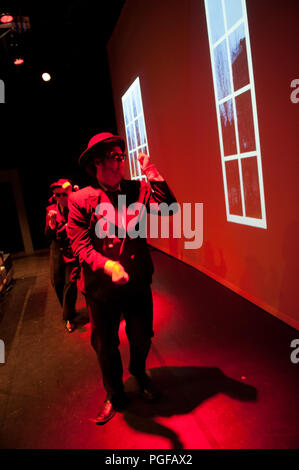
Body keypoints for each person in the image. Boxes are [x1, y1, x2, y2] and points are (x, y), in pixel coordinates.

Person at [67, 132, 176, 424]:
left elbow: (169, 209)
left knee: (142, 337)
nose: (121, 161)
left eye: (121, 155)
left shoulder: (136, 188)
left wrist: (152, 173)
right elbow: (79, 244)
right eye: (115, 157)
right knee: (106, 345)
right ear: (97, 162)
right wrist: (107, 266)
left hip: (138, 281)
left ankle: (139, 374)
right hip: (101, 289)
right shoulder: (80, 199)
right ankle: (114, 394)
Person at [45, 179, 80, 332]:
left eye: (64, 194)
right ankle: (69, 311)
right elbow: (47, 234)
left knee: (70, 285)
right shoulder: (51, 209)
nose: (61, 198)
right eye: (57, 195)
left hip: (72, 252)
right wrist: (52, 224)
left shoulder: (77, 205)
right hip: (57, 251)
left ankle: (68, 317)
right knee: (56, 282)